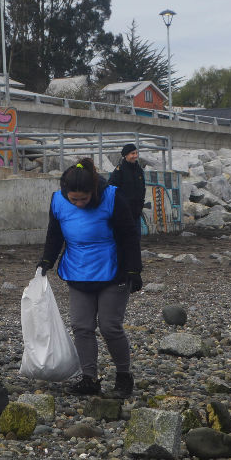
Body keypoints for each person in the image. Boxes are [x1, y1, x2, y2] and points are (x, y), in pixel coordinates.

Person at [38, 158, 142, 397]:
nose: (78, 204)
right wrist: (47, 260)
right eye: (73, 199)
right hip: (78, 271)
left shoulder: (113, 198)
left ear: (93, 191)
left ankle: (124, 376)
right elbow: (54, 235)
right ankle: (89, 378)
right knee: (81, 327)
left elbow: (129, 236)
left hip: (113, 270)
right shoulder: (58, 201)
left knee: (109, 326)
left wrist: (134, 270)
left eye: (83, 199)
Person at [107, 143, 145, 229]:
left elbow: (142, 188)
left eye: (136, 153)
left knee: (136, 238)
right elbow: (112, 189)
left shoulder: (138, 169)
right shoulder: (119, 170)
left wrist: (140, 204)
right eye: (132, 153)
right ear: (126, 155)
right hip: (123, 213)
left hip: (136, 212)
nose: (135, 156)